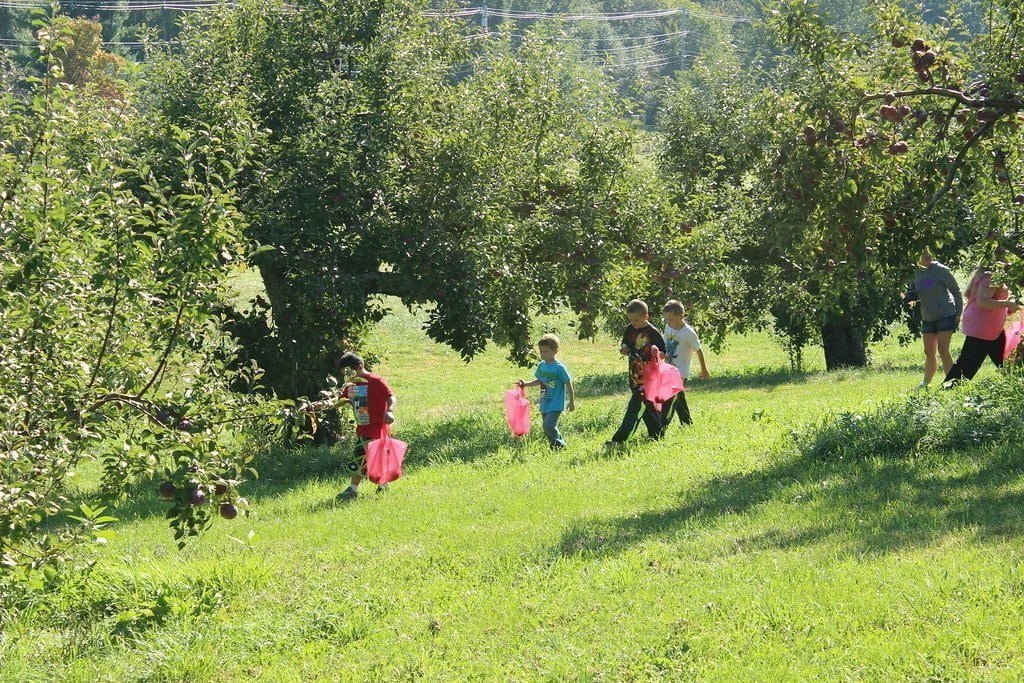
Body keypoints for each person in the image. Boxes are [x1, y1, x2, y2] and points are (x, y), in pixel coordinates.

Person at [943, 265, 1021, 385]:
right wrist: (1007, 304)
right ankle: (947, 390)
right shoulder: (991, 276)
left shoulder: (988, 275)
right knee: (968, 365)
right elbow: (982, 302)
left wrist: (1007, 309)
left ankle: (1018, 383)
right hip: (983, 326)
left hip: (990, 327)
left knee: (1007, 361)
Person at [335, 352, 396, 500]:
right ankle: (383, 486)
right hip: (363, 427)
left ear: (360, 366)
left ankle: (352, 490)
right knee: (373, 458)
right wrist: (318, 406)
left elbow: (391, 397)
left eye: (350, 372)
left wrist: (390, 411)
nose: (348, 377)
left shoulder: (376, 381)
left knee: (359, 456)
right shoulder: (351, 385)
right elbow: (339, 400)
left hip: (376, 427)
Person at [606, 299, 667, 446]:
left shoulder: (653, 332)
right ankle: (657, 434)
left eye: (637, 320)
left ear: (646, 316)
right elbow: (625, 343)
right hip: (634, 373)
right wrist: (624, 348)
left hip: (648, 376)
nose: (634, 323)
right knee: (647, 405)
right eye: (631, 320)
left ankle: (620, 439)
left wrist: (656, 352)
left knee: (635, 407)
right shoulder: (630, 329)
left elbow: (664, 353)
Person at [904, 247, 963, 388]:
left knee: (943, 349)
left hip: (946, 314)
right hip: (928, 317)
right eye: (923, 254)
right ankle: (925, 383)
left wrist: (958, 313)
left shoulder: (941, 270)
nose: (926, 256)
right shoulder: (917, 273)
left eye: (928, 253)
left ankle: (954, 382)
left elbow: (956, 291)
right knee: (929, 351)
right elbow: (916, 291)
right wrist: (909, 299)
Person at [516, 334, 576, 448]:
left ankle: (560, 445)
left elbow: (568, 383)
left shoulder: (559, 368)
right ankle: (555, 446)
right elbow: (540, 380)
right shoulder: (542, 366)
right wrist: (525, 384)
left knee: (548, 425)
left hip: (556, 403)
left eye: (546, 351)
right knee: (547, 426)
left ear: (555, 351)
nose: (543, 354)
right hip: (545, 401)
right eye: (541, 351)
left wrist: (571, 401)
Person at [661, 300, 710, 426]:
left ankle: (660, 427)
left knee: (669, 399)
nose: (668, 322)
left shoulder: (688, 333)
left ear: (681, 316)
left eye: (670, 319)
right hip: (667, 369)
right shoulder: (668, 328)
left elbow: (698, 350)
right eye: (666, 319)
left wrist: (703, 369)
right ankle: (687, 423)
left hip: (680, 372)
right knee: (679, 398)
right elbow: (664, 344)